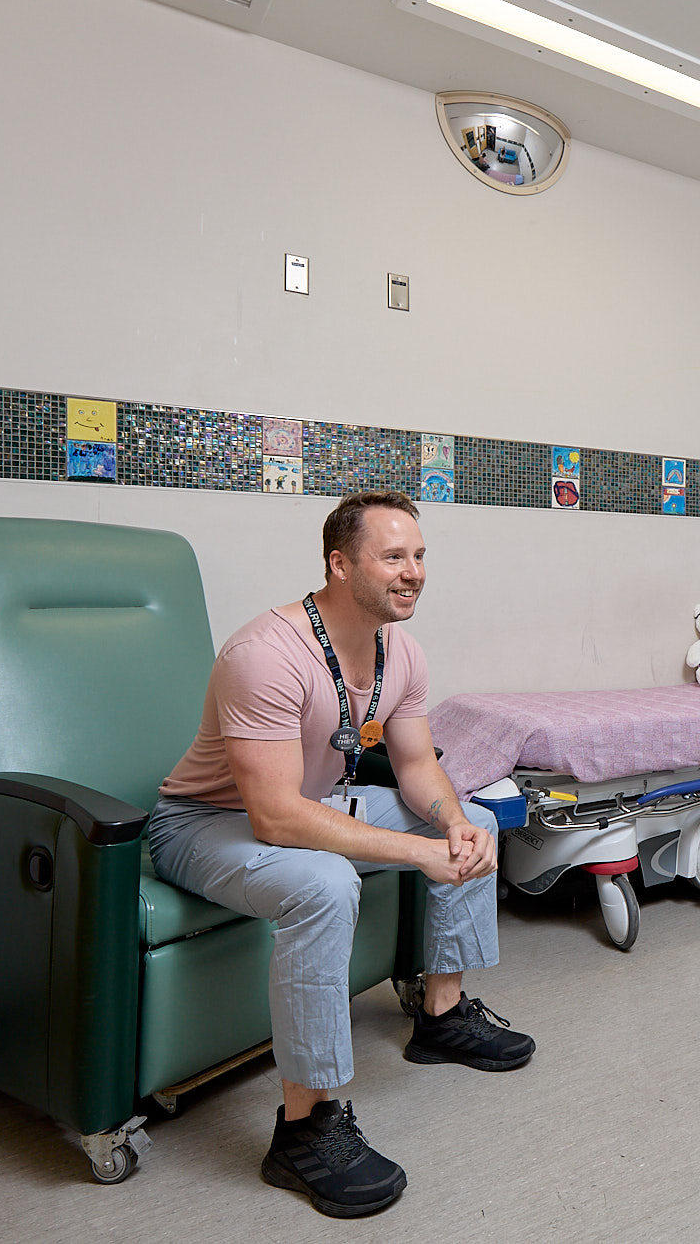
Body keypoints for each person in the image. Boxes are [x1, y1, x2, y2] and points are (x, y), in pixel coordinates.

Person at [149, 489, 534, 1218]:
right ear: (339, 563)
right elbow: (273, 813)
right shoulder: (263, 655)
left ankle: (442, 1014)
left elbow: (418, 767)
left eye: (419, 556)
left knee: (471, 816)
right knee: (326, 883)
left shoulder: (402, 650)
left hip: (307, 805)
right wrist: (413, 852)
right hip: (202, 823)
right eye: (393, 556)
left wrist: (450, 820)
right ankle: (304, 1127)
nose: (413, 572)